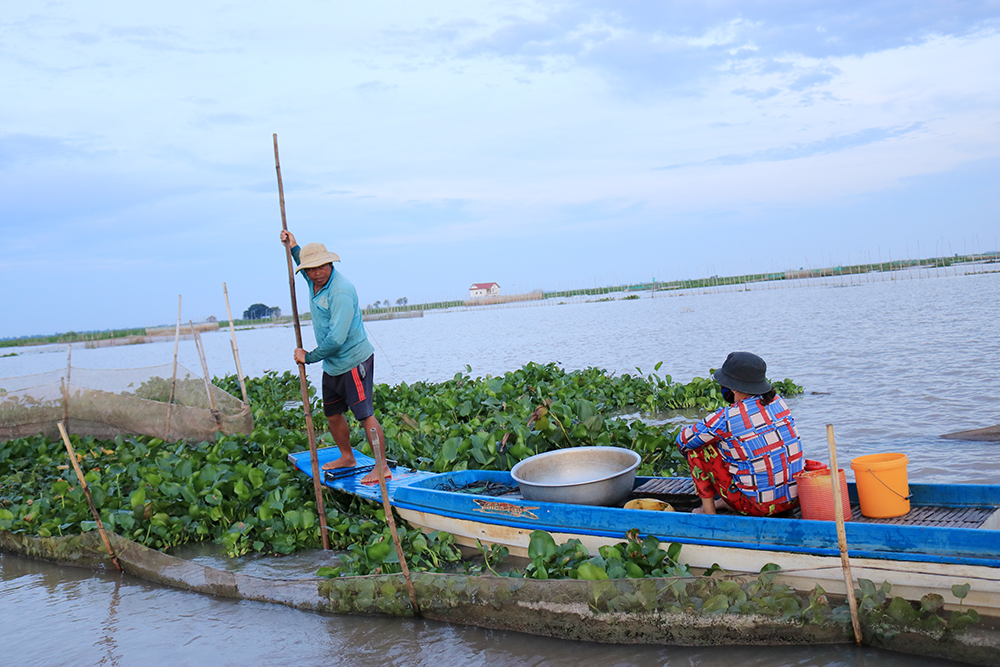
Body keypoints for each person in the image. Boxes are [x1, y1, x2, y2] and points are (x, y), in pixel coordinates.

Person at [280, 230, 387, 484]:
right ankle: (347, 456)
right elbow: (300, 260)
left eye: (322, 267)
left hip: (354, 361)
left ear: (330, 264)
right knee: (332, 412)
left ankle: (381, 467)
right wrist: (293, 245)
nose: (317, 273)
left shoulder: (341, 291)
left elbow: (337, 339)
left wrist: (309, 357)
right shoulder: (310, 280)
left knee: (364, 414)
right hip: (333, 365)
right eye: (311, 269)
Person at [675, 351, 803, 516]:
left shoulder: (726, 418)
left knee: (697, 448)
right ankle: (726, 501)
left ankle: (708, 512)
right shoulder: (778, 402)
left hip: (759, 508)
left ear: (732, 387)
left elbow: (683, 440)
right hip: (793, 500)